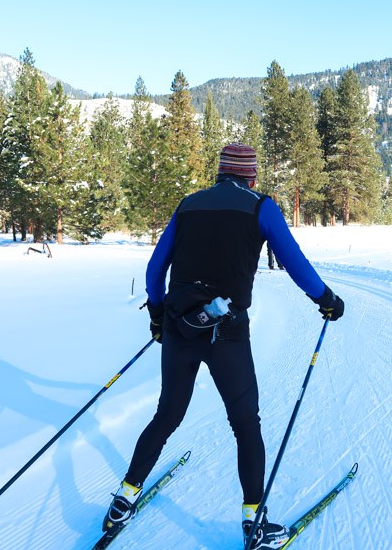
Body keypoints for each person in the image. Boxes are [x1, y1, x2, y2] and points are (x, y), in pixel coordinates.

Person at [101, 143, 344, 549]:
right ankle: (254, 523)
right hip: (227, 334)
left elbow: (155, 268)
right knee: (246, 425)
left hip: (181, 328)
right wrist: (326, 299)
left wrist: (158, 315)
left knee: (167, 415)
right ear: (250, 176)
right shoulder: (260, 206)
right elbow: (294, 261)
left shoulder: (189, 204)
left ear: (219, 174)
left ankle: (125, 496)